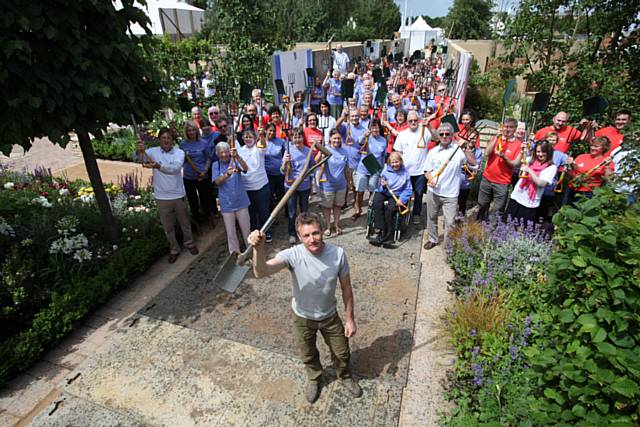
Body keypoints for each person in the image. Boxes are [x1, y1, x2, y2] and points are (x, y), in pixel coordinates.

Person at [248, 212, 361, 404]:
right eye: (306, 236)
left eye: (316, 233)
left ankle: (344, 376)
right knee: (308, 354)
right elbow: (261, 272)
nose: (312, 239)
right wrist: (259, 249)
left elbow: (346, 288)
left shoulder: (338, 254)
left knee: (342, 352)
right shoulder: (292, 255)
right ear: (299, 237)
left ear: (323, 231)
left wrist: (350, 318)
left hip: (329, 315)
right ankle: (314, 379)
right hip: (302, 317)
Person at [136, 128, 199, 263]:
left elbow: (175, 169)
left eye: (168, 138)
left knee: (185, 223)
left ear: (172, 140)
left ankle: (189, 243)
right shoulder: (152, 151)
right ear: (160, 139)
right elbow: (140, 160)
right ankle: (174, 249)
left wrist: (159, 166)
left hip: (178, 195)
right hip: (162, 197)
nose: (166, 140)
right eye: (163, 138)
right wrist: (140, 151)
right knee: (168, 227)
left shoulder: (179, 153)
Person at [423, 123, 479, 249]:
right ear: (438, 135)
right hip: (434, 191)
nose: (444, 136)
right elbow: (427, 171)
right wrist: (431, 179)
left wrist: (465, 147)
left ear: (452, 135)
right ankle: (433, 238)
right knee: (431, 217)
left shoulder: (458, 151)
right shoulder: (433, 152)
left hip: (451, 194)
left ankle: (448, 243)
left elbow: (474, 164)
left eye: (447, 134)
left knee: (450, 222)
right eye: (441, 134)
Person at [392, 110, 437, 224]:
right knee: (403, 192)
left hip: (421, 170)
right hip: (405, 170)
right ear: (407, 121)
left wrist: (429, 125)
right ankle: (402, 211)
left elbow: (436, 138)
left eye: (415, 120)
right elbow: (397, 152)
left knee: (418, 193)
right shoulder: (402, 134)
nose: (413, 122)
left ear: (419, 120)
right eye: (410, 120)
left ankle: (416, 213)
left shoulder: (425, 131)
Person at [476, 118, 522, 221]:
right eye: (505, 126)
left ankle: (492, 231)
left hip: (502, 182)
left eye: (510, 127)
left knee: (497, 209)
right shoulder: (496, 138)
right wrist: (496, 138)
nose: (507, 129)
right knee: (482, 203)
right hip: (487, 178)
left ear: (515, 129)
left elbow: (514, 164)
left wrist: (504, 157)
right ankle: (478, 225)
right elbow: (487, 153)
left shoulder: (519, 144)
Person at [504, 140, 557, 225]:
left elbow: (541, 183)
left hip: (530, 203)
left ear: (549, 152)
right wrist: (522, 151)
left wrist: (529, 170)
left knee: (522, 228)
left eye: (543, 152)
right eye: (538, 151)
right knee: (507, 223)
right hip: (517, 196)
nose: (540, 154)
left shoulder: (551, 167)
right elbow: (515, 163)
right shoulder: (530, 160)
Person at [212, 142, 251, 253]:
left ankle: (251, 251)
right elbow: (217, 182)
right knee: (231, 232)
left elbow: (245, 168)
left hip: (241, 201)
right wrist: (227, 175)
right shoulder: (216, 165)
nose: (224, 155)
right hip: (226, 203)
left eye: (226, 152)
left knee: (246, 229)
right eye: (221, 152)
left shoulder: (234, 161)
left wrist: (237, 156)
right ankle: (235, 254)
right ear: (217, 153)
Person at [369, 151, 412, 246]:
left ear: (401, 161)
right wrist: (383, 185)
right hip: (384, 192)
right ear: (389, 162)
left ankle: (388, 233)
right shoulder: (385, 171)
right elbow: (379, 187)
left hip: (397, 195)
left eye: (397, 162)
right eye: (393, 162)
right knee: (376, 202)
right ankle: (380, 229)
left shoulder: (405, 173)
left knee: (390, 208)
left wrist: (402, 199)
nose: (395, 164)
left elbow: (408, 189)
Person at [237, 129, 272, 242]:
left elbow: (263, 146)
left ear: (255, 138)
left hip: (261, 186)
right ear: (242, 139)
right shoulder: (240, 150)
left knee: (264, 212)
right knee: (251, 213)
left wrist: (262, 136)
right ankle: (254, 234)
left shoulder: (258, 148)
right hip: (247, 188)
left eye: (250, 136)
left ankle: (267, 232)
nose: (248, 139)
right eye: (245, 137)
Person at [282, 128, 314, 244]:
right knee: (292, 211)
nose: (297, 139)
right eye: (295, 137)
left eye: (299, 137)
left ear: (302, 138)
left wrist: (311, 185)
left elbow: (311, 169)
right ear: (291, 139)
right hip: (290, 185)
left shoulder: (308, 151)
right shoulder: (288, 151)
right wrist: (285, 162)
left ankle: (304, 232)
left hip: (304, 185)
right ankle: (292, 233)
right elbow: (282, 170)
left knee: (304, 210)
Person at [317, 130, 349, 236]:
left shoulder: (344, 151)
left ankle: (336, 225)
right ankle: (328, 226)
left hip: (341, 185)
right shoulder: (325, 149)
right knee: (327, 207)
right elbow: (316, 162)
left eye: (338, 138)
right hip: (327, 185)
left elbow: (346, 168)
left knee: (338, 206)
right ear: (330, 139)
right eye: (334, 138)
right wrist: (320, 154)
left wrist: (349, 182)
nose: (336, 140)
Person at [181, 120, 214, 224]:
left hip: (202, 175)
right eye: (189, 130)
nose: (191, 133)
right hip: (189, 177)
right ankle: (197, 220)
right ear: (186, 132)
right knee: (192, 200)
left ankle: (208, 217)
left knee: (205, 198)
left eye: (193, 130)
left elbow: (208, 158)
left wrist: (205, 171)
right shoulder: (183, 144)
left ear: (196, 131)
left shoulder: (203, 143)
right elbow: (181, 160)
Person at [353, 119, 387, 220]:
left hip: (375, 167)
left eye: (376, 127)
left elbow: (383, 156)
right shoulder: (366, 137)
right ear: (370, 128)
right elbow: (359, 142)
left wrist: (382, 171)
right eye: (373, 127)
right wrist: (365, 135)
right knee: (360, 190)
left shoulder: (383, 140)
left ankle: (371, 209)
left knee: (373, 190)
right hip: (363, 166)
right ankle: (357, 209)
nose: (375, 129)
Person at [336, 107, 367, 217]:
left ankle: (357, 206)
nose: (354, 118)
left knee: (356, 186)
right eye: (352, 116)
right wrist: (343, 116)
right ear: (349, 117)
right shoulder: (346, 126)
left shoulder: (364, 129)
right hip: (345, 161)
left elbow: (364, 144)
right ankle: (343, 203)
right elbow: (336, 126)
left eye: (356, 116)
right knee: (346, 184)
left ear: (359, 117)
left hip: (357, 161)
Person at [566, 136, 613, 204]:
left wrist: (607, 166)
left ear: (603, 148)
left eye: (596, 146)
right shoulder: (581, 156)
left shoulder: (606, 161)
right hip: (571, 189)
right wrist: (571, 164)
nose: (592, 148)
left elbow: (609, 179)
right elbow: (574, 170)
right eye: (592, 146)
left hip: (589, 192)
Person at [264, 123, 286, 212]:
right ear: (266, 131)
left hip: (280, 173)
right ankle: (272, 215)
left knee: (283, 194)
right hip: (268, 174)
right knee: (269, 196)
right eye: (270, 130)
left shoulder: (281, 141)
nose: (272, 132)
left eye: (273, 131)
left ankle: (287, 212)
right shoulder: (261, 142)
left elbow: (286, 154)